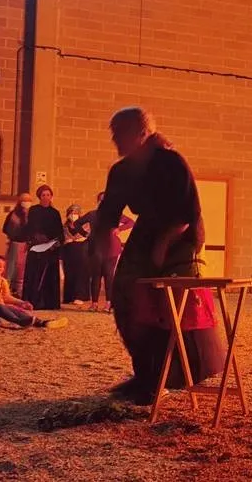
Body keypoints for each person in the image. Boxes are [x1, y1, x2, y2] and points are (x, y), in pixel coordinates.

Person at [93, 106, 225, 406]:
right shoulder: (122, 171)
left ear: (142, 133)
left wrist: (163, 245)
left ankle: (168, 376)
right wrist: (99, 241)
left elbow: (187, 211)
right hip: (149, 229)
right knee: (127, 296)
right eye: (113, 134)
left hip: (182, 233)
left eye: (121, 133)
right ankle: (146, 375)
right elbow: (109, 212)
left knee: (170, 306)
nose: (116, 140)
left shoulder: (171, 162)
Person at [76, 191, 135, 311]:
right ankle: (94, 303)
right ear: (98, 201)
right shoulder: (92, 214)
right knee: (95, 276)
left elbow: (131, 222)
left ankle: (109, 303)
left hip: (111, 247)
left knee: (109, 276)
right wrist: (85, 234)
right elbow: (77, 223)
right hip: (96, 247)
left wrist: (119, 229)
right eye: (101, 199)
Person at [0, 255, 68, 329]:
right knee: (1, 307)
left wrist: (22, 302)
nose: (1, 267)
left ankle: (42, 322)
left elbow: (6, 297)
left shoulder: (2, 281)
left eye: (3, 266)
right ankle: (20, 322)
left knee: (14, 309)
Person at [23, 185, 64, 310]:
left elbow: (59, 231)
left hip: (51, 249)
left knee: (49, 275)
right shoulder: (34, 210)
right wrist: (39, 239)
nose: (46, 197)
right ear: (39, 197)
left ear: (51, 196)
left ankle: (50, 303)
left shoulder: (55, 213)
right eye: (43, 195)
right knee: (35, 274)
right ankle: (33, 301)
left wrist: (55, 243)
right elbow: (31, 227)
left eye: (48, 195)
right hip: (37, 247)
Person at [3, 192, 33, 297]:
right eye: (24, 200)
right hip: (15, 243)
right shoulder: (13, 214)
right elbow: (6, 228)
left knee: (23, 269)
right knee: (11, 267)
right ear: (20, 202)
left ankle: (20, 291)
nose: (26, 203)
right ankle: (6, 290)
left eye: (29, 201)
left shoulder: (32, 215)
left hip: (27, 245)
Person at [61, 204, 90, 307]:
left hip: (81, 251)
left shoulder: (85, 225)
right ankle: (69, 296)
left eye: (76, 213)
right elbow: (63, 239)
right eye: (71, 213)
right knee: (70, 273)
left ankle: (80, 296)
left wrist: (77, 239)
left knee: (81, 274)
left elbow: (88, 236)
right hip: (69, 252)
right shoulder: (64, 227)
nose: (73, 215)